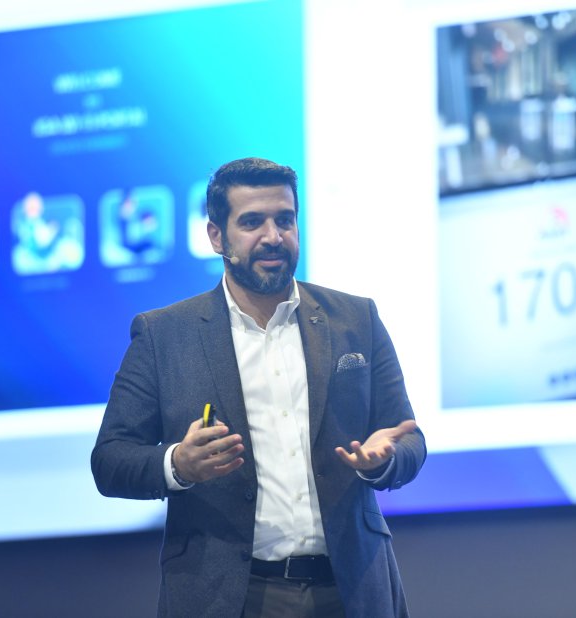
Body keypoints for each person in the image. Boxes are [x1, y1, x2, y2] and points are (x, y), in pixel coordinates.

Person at [91, 157, 426, 617]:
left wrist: (382, 462)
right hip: (230, 597)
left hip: (353, 588)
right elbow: (110, 461)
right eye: (252, 223)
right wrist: (178, 464)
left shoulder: (355, 318)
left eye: (284, 220)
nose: (273, 236)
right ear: (217, 236)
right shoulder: (164, 335)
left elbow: (407, 437)